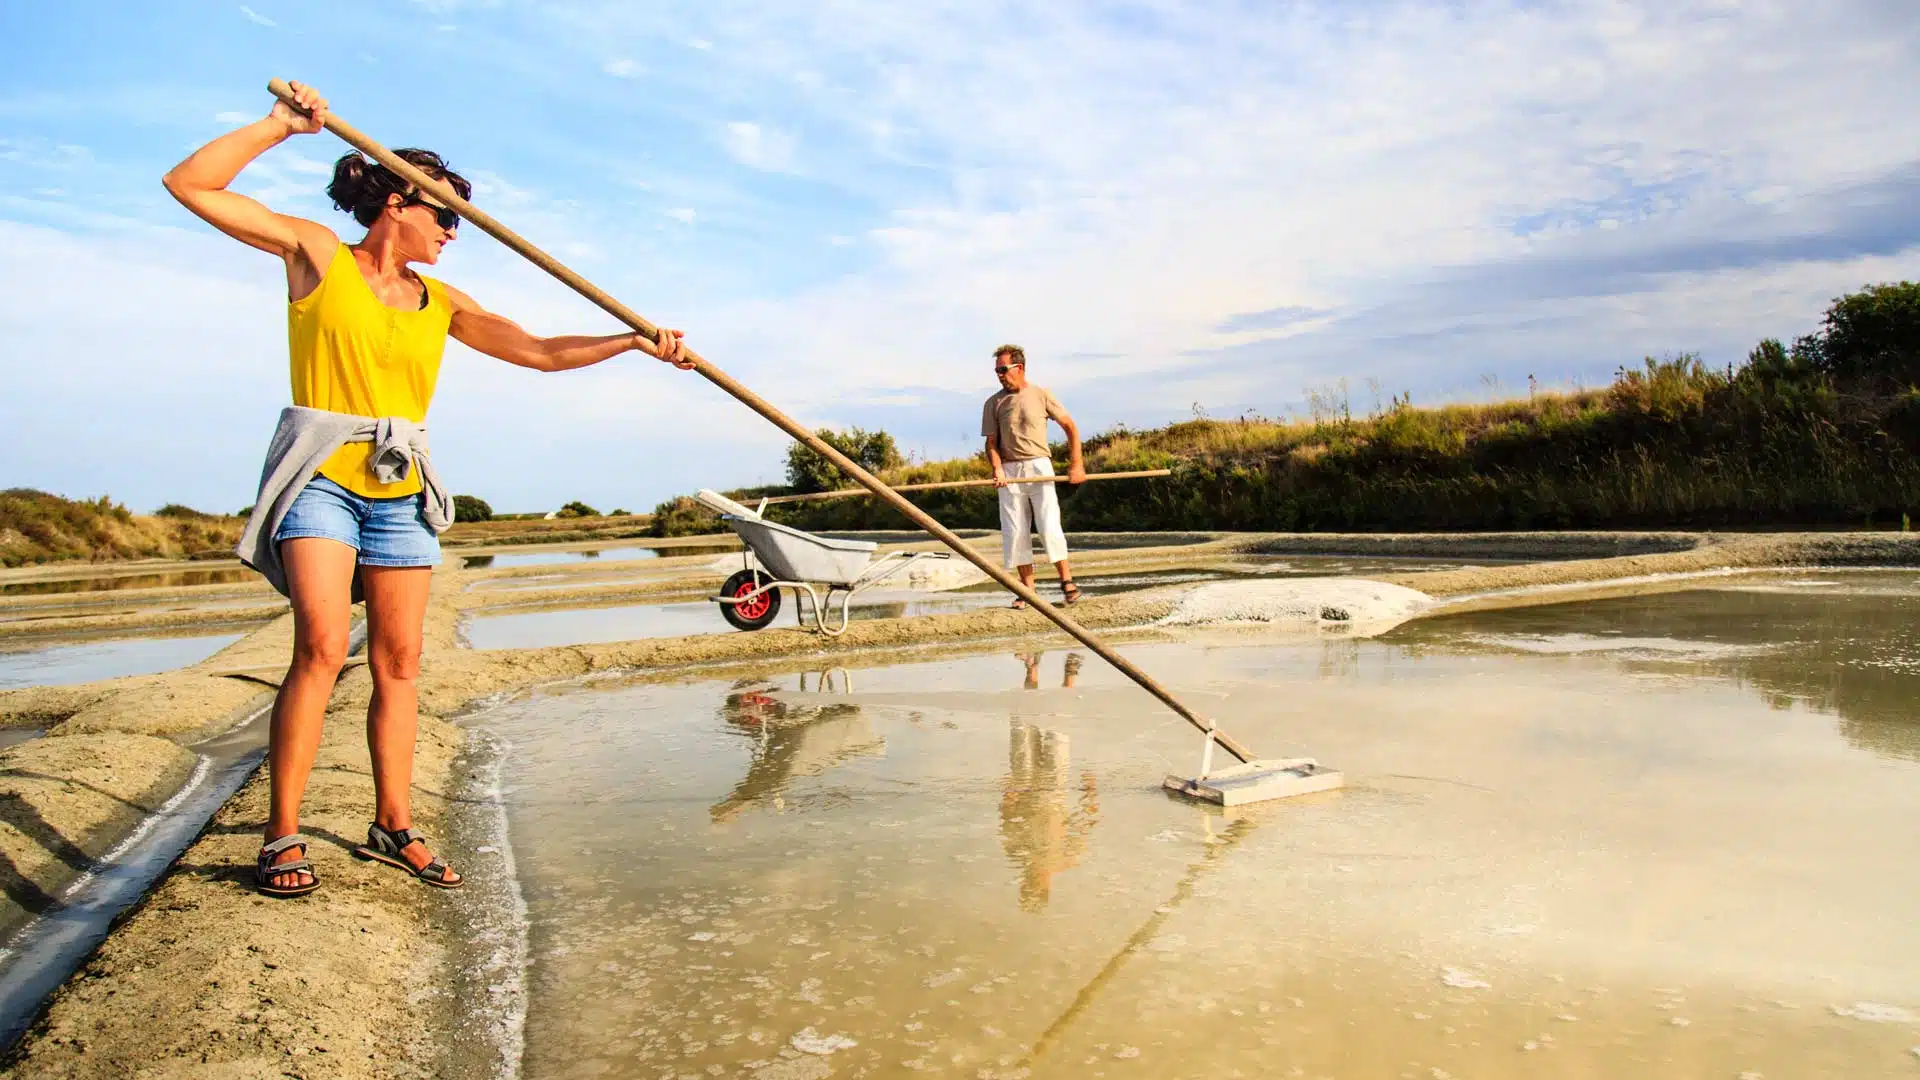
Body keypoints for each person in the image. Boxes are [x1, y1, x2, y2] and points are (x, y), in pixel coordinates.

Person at [162, 81, 693, 897]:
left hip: (400, 490)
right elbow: (190, 185)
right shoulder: (316, 256)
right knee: (319, 646)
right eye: (444, 214)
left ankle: (393, 824)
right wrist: (279, 127)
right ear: (398, 201)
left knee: (401, 662)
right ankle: (281, 834)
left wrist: (631, 341)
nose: (453, 231)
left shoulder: (440, 302)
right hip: (322, 479)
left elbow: (541, 352)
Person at [981, 345, 1085, 608]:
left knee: (1049, 525)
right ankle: (1027, 592)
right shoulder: (994, 403)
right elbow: (991, 443)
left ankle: (1067, 582)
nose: (1000, 375)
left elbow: (1070, 427)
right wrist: (997, 469)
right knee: (1015, 531)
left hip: (1039, 466)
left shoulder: (1041, 394)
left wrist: (1076, 465)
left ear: (1020, 368)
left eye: (1004, 370)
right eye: (997, 371)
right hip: (1010, 471)